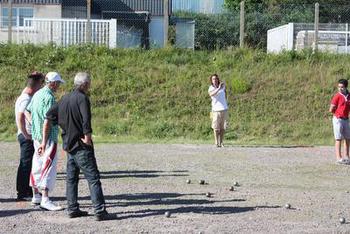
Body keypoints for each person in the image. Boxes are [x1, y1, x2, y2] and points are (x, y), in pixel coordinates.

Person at [40, 72, 111, 220]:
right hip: (81, 145)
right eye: (89, 83)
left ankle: (72, 208)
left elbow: (49, 115)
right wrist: (88, 138)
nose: (90, 85)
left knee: (71, 178)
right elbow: (86, 119)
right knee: (93, 178)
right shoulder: (83, 99)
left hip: (69, 145)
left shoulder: (64, 99)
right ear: (85, 84)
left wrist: (62, 127)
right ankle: (100, 211)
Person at [26, 71, 65, 211]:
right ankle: (45, 199)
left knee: (37, 164)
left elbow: (27, 110)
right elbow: (48, 122)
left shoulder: (37, 94)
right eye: (58, 83)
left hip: (37, 136)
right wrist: (44, 140)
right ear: (53, 83)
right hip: (47, 137)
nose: (59, 86)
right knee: (48, 166)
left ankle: (36, 196)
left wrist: (34, 125)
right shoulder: (49, 98)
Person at [15, 71, 44, 201]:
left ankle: (26, 191)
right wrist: (25, 133)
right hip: (26, 136)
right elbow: (21, 115)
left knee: (29, 164)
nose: (41, 87)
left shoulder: (26, 95)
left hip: (27, 135)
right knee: (25, 164)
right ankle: (22, 193)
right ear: (37, 84)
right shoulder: (26, 98)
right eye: (41, 83)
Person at [329, 78, 350, 165]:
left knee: (347, 138)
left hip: (346, 119)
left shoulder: (349, 95)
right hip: (338, 119)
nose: (340, 89)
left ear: (346, 87)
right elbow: (331, 109)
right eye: (339, 87)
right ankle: (339, 158)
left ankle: (347, 157)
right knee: (338, 139)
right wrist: (337, 114)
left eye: (342, 87)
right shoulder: (337, 96)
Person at [208, 74, 228, 147]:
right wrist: (219, 88)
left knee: (223, 127)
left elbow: (225, 94)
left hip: (224, 109)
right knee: (216, 128)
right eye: (213, 79)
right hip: (215, 110)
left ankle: (221, 142)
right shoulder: (211, 88)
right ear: (211, 81)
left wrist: (224, 102)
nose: (215, 80)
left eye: (216, 79)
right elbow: (211, 94)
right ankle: (216, 142)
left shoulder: (223, 87)